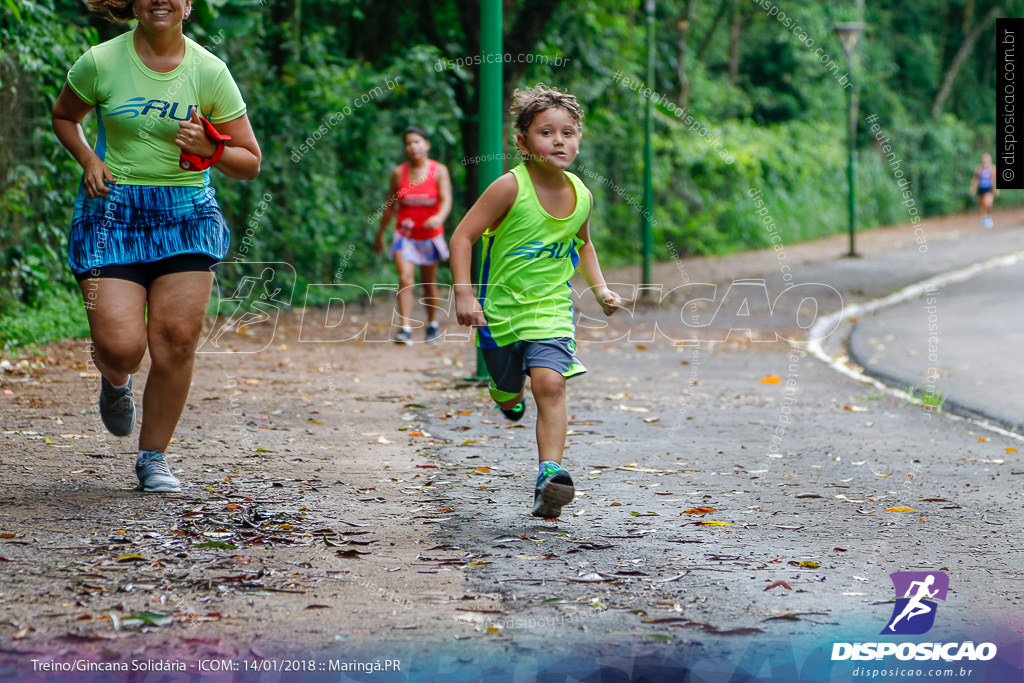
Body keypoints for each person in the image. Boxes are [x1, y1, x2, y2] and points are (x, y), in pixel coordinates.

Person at [52, 0, 261, 492]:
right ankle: (116, 380)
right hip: (112, 213)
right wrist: (87, 158)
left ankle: (153, 458)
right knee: (120, 347)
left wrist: (211, 150)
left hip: (187, 214)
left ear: (189, 4)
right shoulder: (100, 61)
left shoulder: (209, 71)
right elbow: (64, 116)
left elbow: (249, 161)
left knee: (177, 341)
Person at [450, 85, 622, 519]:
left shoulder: (582, 195)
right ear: (523, 141)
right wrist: (466, 295)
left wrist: (600, 289)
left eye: (569, 132)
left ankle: (550, 475)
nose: (560, 141)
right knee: (509, 392)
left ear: (579, 138)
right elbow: (462, 237)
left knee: (550, 383)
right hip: (499, 316)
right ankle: (505, 396)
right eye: (547, 132)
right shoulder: (510, 188)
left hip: (550, 311)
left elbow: (582, 244)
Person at [372, 127, 453, 344]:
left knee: (429, 283)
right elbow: (390, 206)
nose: (412, 147)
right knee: (405, 278)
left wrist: (439, 217)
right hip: (404, 235)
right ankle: (405, 328)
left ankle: (432, 324)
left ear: (427, 144)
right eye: (408, 143)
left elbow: (446, 199)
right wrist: (379, 234)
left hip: (430, 235)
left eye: (417, 142)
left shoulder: (439, 170)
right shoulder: (399, 173)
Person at [969, 153, 998, 228]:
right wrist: (973, 189)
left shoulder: (993, 168)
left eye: (987, 159)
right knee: (982, 204)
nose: (985, 160)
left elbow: (995, 179)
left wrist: (996, 189)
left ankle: (988, 217)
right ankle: (984, 217)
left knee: (988, 203)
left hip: (989, 188)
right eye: (984, 159)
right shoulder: (979, 168)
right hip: (981, 188)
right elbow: (975, 179)